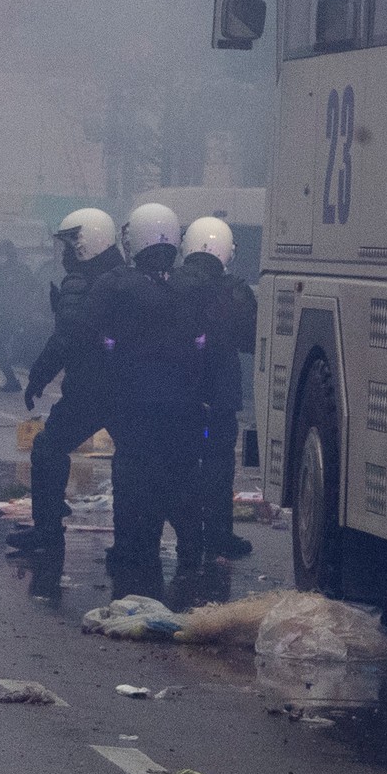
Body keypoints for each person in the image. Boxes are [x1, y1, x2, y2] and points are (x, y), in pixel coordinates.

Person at [89, 205, 206, 600]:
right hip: (184, 405)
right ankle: (192, 546)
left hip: (136, 403)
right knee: (184, 476)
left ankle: (134, 548)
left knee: (133, 475)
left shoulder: (116, 285)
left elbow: (91, 332)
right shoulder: (194, 285)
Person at [18, 207, 122, 599]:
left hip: (89, 389)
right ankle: (136, 543)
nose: (63, 254)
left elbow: (66, 339)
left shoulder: (80, 285)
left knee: (48, 448)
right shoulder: (124, 278)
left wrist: (37, 377)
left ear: (84, 243)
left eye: (68, 244)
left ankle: (47, 531)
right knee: (134, 462)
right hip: (127, 389)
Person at [174, 216, 258, 578]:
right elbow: (251, 340)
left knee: (181, 464)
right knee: (219, 465)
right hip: (220, 392)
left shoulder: (169, 283)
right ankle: (219, 535)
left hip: (179, 391)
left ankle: (187, 536)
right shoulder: (235, 290)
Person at [0, 239, 37, 394]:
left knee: (0, 345)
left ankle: (13, 381)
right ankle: (12, 379)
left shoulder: (22, 270)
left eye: (3, 254)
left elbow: (34, 288)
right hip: (7, 314)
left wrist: (28, 305)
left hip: (19, 314)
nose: (1, 257)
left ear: (10, 254)